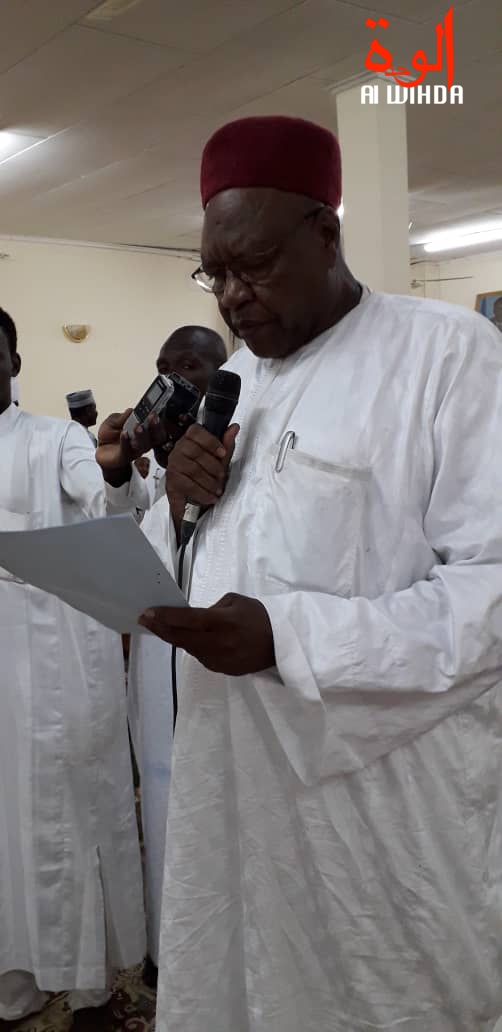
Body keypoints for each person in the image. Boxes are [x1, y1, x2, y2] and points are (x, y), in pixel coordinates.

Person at [100, 116, 502, 1032]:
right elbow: (190, 561)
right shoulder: (239, 380)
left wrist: (289, 637)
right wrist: (177, 507)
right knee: (240, 983)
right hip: (235, 790)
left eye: (253, 266)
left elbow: (491, 590)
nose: (232, 298)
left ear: (325, 234)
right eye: (214, 274)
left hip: (383, 806)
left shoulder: (447, 357)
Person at [0, 308, 145, 1028]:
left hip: (54, 650)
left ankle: (87, 978)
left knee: (65, 808)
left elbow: (109, 504)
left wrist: (115, 472)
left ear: (14, 363)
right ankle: (14, 979)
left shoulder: (53, 438)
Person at [96, 324, 226, 983]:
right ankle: (168, 954)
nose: (172, 381)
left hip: (218, 670)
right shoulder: (161, 461)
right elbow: (130, 533)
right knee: (165, 803)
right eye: (162, 368)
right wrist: (120, 468)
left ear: (223, 377)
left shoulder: (235, 446)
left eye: (190, 367)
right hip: (155, 668)